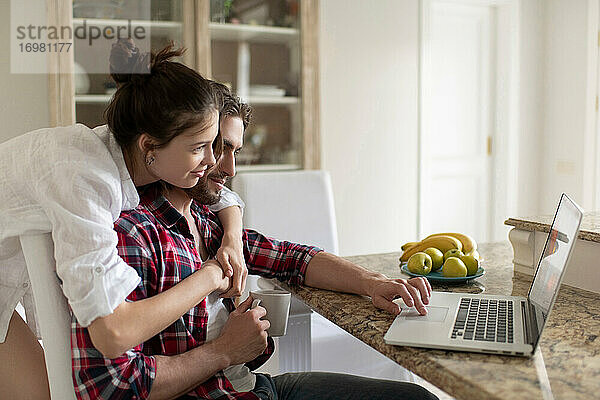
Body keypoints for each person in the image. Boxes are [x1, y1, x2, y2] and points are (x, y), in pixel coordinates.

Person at [70, 86, 437, 399]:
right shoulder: (132, 234)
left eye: (234, 151)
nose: (227, 167)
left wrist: (373, 283)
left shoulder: (205, 220)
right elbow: (113, 387)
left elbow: (294, 258)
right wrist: (224, 351)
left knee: (416, 396)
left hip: (254, 387)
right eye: (215, 146)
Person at [0, 41, 248, 399]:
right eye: (199, 148)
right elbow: (112, 333)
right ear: (149, 147)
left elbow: (221, 193)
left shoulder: (134, 160)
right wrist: (210, 274)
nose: (213, 162)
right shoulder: (85, 178)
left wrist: (232, 237)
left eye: (215, 145)